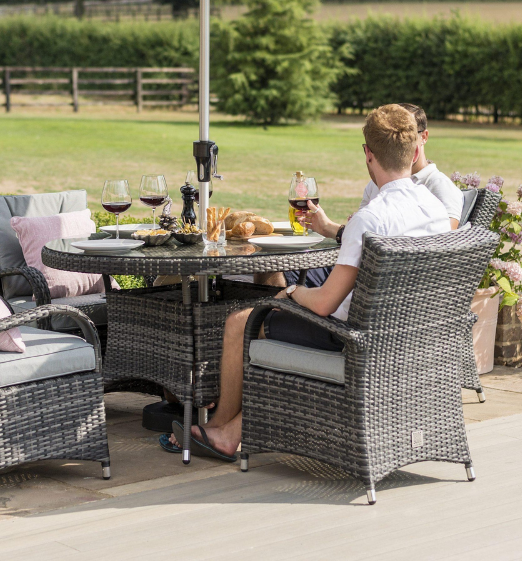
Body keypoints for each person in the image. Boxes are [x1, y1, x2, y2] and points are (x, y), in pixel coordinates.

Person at [171, 104, 451, 461]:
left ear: (368, 155)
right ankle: (226, 430)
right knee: (265, 318)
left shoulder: (371, 219)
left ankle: (224, 433)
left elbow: (323, 305)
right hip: (414, 338)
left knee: (241, 322)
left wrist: (291, 292)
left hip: (353, 341)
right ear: (414, 152)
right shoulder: (435, 212)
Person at [360, 103, 463, 230]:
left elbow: (444, 243)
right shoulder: (375, 184)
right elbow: (361, 233)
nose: (400, 141)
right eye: (394, 134)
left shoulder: (440, 186)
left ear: (424, 137)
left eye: (408, 134)